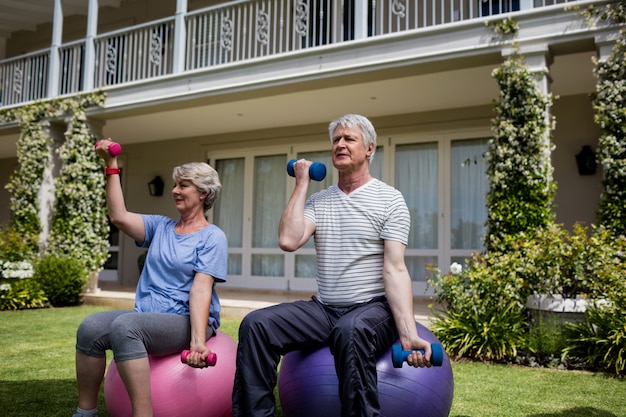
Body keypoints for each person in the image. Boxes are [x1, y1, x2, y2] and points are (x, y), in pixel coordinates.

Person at [232, 114, 432, 417]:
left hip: (373, 309)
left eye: (349, 138)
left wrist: (407, 332)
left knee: (349, 330)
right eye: (336, 139)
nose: (340, 144)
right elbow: (288, 240)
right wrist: (301, 184)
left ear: (369, 149)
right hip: (325, 309)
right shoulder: (318, 201)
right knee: (256, 325)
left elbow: (395, 269)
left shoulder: (390, 200)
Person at [71, 139, 228, 417]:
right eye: (175, 185)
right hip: (149, 316)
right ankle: (86, 413)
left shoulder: (212, 237)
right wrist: (111, 166)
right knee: (91, 327)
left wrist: (198, 341)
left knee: (126, 326)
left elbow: (201, 290)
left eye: (183, 185)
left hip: (183, 320)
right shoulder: (161, 227)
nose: (175, 191)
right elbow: (118, 216)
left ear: (203, 192)